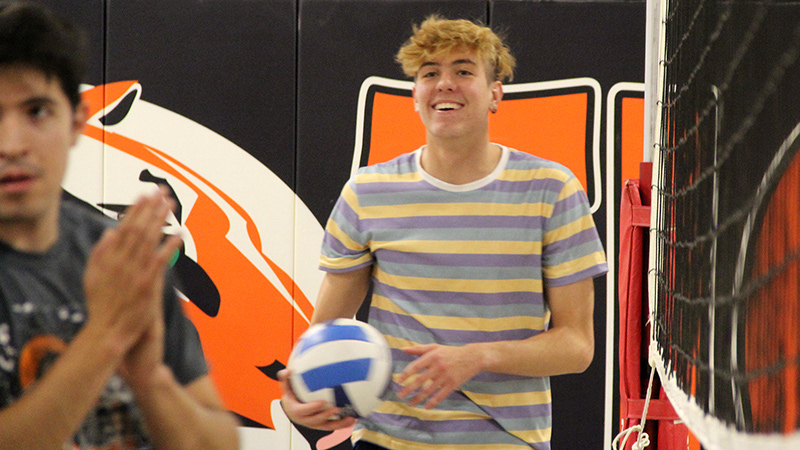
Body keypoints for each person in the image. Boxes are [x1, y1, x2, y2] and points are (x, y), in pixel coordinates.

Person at [280, 14, 608, 450]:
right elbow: (325, 333)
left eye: (463, 71)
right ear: (415, 95)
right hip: (386, 439)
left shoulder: (553, 189)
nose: (445, 83)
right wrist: (296, 397)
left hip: (503, 440)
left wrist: (478, 357)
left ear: (495, 94)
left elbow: (577, 345)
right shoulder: (367, 191)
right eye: (429, 73)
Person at [0, 3, 240, 449]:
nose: (11, 144)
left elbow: (220, 443)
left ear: (75, 122)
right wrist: (106, 338)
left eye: (36, 111)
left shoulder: (119, 259)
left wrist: (149, 378)